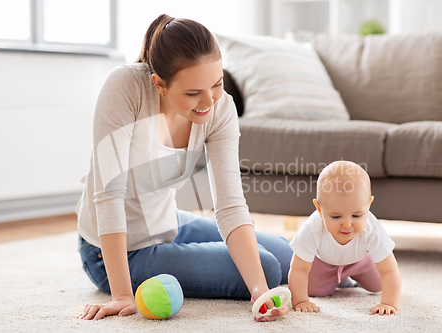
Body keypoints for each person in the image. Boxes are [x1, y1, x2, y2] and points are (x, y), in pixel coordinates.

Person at [76, 14, 292, 322]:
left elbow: (230, 205)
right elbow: (109, 196)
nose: (209, 101)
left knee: (286, 254)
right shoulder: (125, 88)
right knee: (268, 267)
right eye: (193, 93)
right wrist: (123, 295)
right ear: (160, 85)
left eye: (216, 84)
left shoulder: (221, 108)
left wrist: (259, 292)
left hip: (167, 223)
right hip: (116, 251)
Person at [288, 161, 401, 315]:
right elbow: (299, 269)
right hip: (324, 263)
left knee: (378, 285)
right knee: (313, 290)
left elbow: (389, 270)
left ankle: (348, 275)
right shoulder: (312, 228)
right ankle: (339, 280)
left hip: (360, 261)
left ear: (368, 205)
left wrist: (388, 303)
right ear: (320, 210)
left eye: (356, 215)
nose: (347, 224)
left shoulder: (372, 228)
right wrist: (300, 300)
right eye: (336, 216)